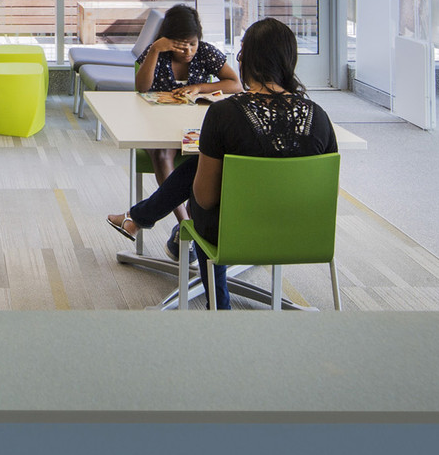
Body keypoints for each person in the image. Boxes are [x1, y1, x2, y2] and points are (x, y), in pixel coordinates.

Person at [106, 17, 334, 307]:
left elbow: (204, 197)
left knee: (199, 186)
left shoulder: (224, 114)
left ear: (244, 60)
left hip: (235, 233)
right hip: (302, 233)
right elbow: (324, 194)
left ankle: (220, 304)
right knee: (198, 168)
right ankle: (138, 217)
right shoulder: (319, 117)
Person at [132, 4, 241, 224]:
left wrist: (200, 87)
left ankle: (188, 225)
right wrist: (154, 50)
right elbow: (142, 87)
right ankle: (185, 224)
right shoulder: (156, 53)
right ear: (168, 40)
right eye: (181, 46)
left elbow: (235, 84)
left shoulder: (205, 52)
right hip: (159, 125)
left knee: (211, 155)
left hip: (195, 127)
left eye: (192, 44)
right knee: (161, 154)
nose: (189, 51)